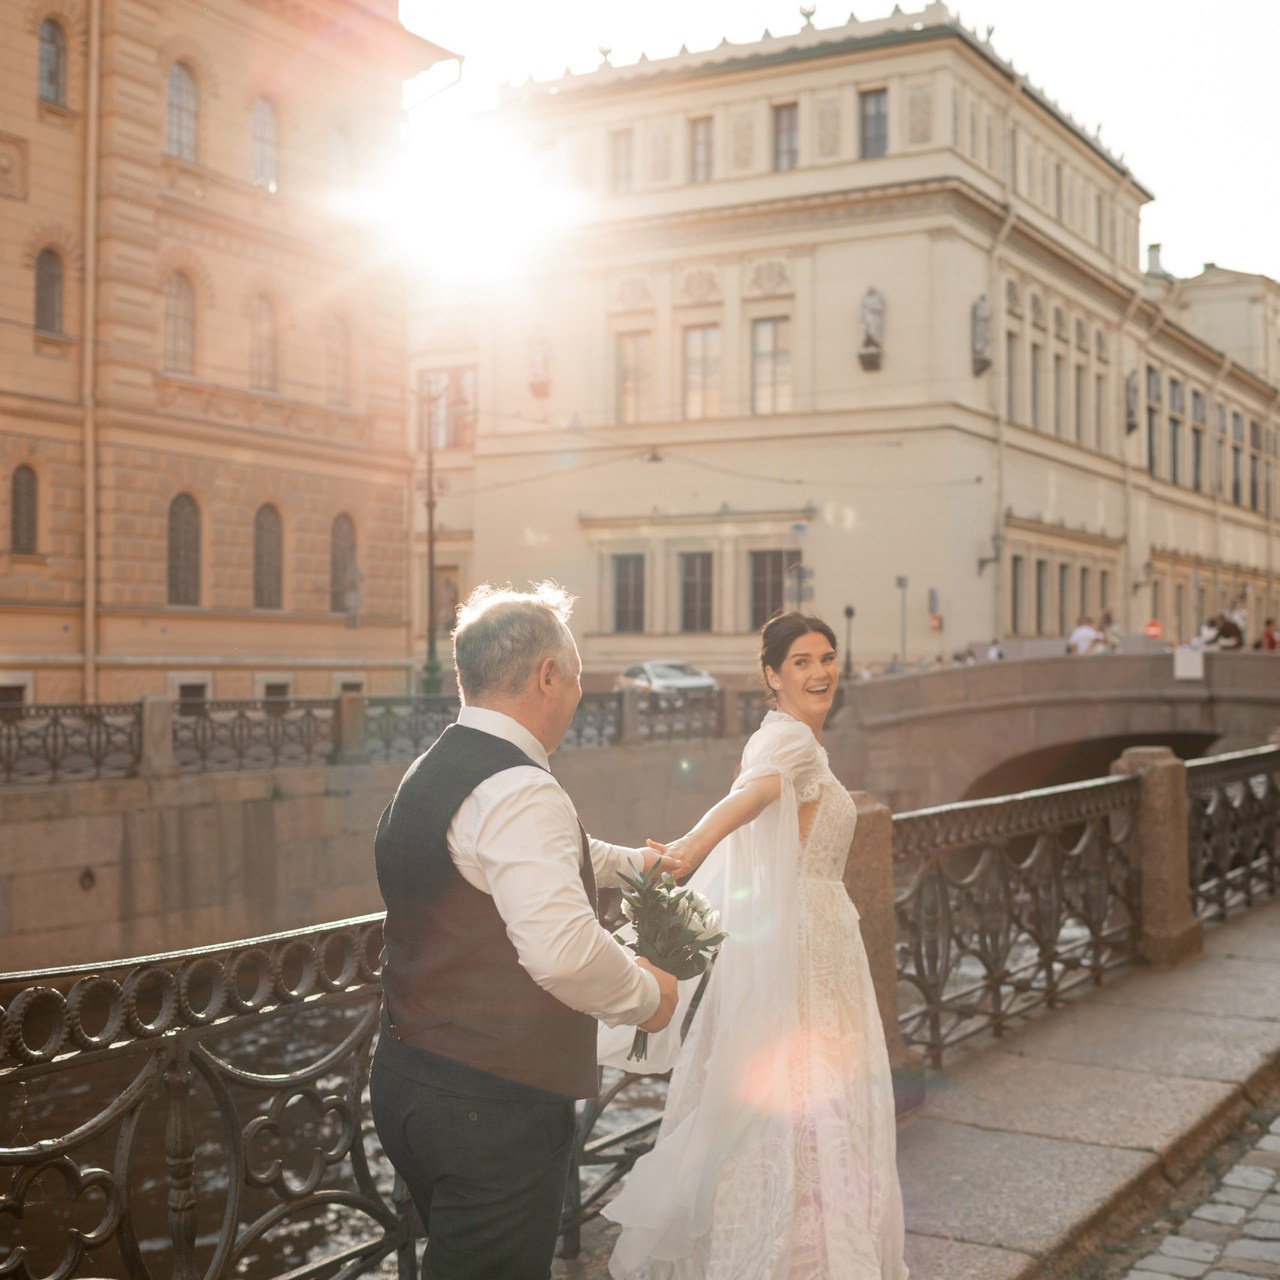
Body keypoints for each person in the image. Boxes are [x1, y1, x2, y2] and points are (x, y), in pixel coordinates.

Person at [370, 582, 679, 1280]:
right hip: (493, 1105)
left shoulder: (436, 765)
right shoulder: (522, 788)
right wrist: (647, 997)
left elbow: (531, 855)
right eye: (576, 677)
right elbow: (563, 953)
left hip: (406, 1084)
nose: (578, 694)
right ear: (547, 676)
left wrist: (638, 866)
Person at [600, 612, 908, 1279]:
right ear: (771, 675)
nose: (820, 672)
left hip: (823, 942)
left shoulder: (794, 741)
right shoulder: (788, 741)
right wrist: (691, 847)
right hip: (806, 946)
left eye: (827, 657)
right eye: (801, 662)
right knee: (806, 1101)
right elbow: (751, 796)